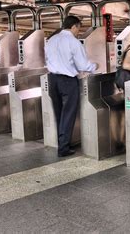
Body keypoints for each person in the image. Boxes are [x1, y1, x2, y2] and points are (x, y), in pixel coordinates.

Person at [45, 15, 97, 157]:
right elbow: (83, 65)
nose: (78, 32)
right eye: (78, 29)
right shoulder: (73, 42)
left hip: (52, 79)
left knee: (59, 113)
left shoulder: (51, 40)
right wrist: (95, 66)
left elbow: (48, 58)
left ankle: (61, 143)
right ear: (73, 26)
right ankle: (63, 148)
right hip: (68, 81)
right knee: (68, 114)